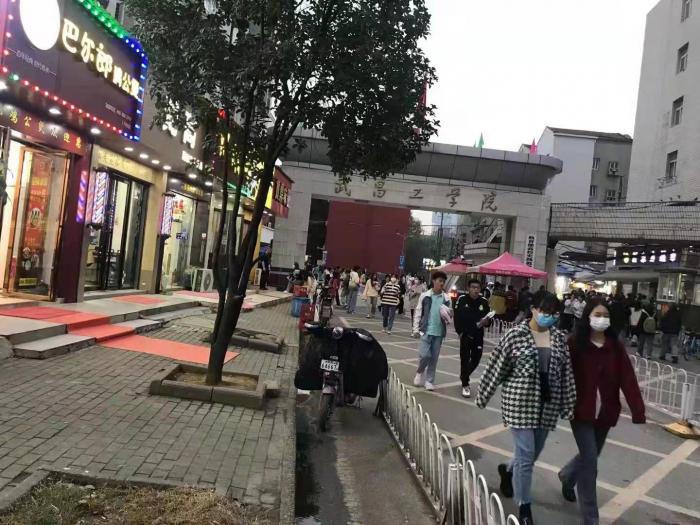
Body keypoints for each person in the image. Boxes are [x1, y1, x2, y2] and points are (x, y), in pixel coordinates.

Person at [476, 292, 576, 525]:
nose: (549, 316)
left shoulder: (558, 338)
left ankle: (508, 471)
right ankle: (524, 507)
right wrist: (483, 395)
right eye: (545, 311)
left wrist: (568, 405)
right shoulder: (515, 335)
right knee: (527, 454)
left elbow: (566, 374)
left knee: (530, 455)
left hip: (547, 405)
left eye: (553, 313)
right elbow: (496, 367)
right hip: (520, 403)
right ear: (533, 309)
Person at [559, 298, 645, 525]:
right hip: (580, 412)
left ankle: (567, 476)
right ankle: (591, 518)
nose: (602, 319)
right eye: (597, 315)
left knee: (591, 454)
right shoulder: (575, 344)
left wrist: (638, 410)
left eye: (605, 315)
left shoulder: (615, 347)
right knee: (590, 462)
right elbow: (561, 373)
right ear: (587, 317)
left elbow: (628, 378)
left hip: (606, 413)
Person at [412, 270, 452, 391]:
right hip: (426, 330)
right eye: (440, 281)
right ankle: (419, 372)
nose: (442, 283)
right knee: (425, 355)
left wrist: (449, 316)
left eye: (443, 281)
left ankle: (429, 381)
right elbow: (418, 312)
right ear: (434, 281)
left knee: (434, 358)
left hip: (439, 332)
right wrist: (415, 329)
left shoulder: (446, 298)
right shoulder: (425, 296)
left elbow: (449, 315)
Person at [454, 279, 491, 398]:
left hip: (478, 335)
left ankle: (463, 375)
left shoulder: (484, 301)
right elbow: (457, 317)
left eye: (477, 288)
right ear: (468, 288)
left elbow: (489, 319)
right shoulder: (462, 299)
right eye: (473, 287)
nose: (475, 290)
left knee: (476, 358)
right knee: (464, 359)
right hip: (465, 335)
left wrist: (487, 322)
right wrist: (459, 332)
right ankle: (465, 384)